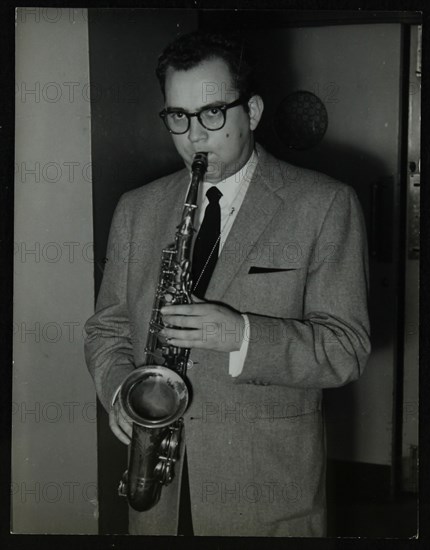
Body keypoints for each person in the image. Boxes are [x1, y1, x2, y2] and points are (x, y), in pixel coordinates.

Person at [84, 31, 371, 537]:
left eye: (212, 112)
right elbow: (106, 331)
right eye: (178, 116)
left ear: (253, 111)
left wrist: (240, 335)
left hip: (265, 493)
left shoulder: (324, 205)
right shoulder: (136, 209)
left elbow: (346, 348)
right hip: (159, 497)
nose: (195, 136)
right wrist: (118, 395)